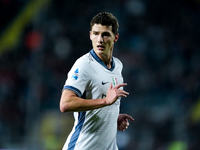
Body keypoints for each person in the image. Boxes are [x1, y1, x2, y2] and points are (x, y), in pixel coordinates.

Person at [60, 12, 134, 150]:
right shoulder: (84, 65)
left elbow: (105, 100)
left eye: (105, 34)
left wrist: (112, 118)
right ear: (90, 35)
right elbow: (65, 103)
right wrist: (105, 101)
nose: (99, 39)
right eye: (95, 33)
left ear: (115, 37)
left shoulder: (117, 65)